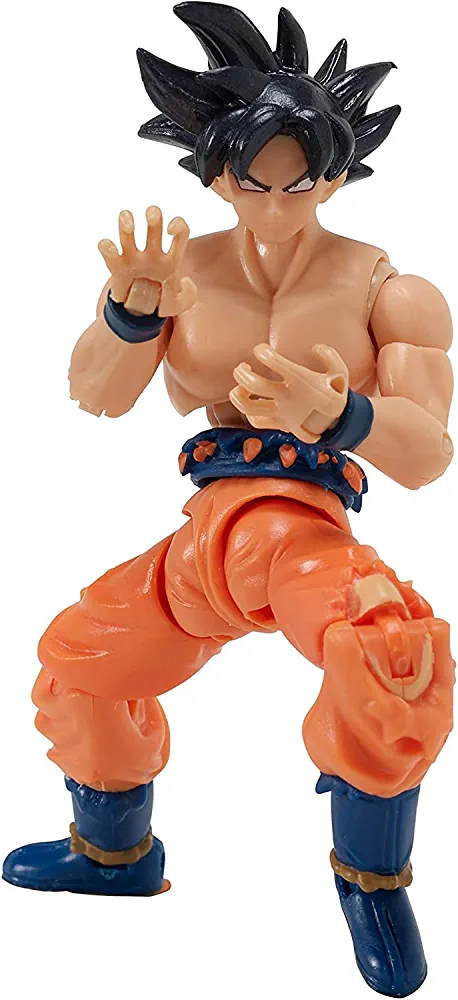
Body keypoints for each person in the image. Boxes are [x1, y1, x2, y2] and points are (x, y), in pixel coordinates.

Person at [3, 5, 454, 997]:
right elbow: (94, 394)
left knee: (389, 652)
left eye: (302, 181)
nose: (277, 204)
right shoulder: (182, 273)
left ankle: (372, 883)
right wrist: (130, 315)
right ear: (212, 174)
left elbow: (429, 455)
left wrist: (339, 416)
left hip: (303, 537)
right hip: (206, 539)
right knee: (79, 660)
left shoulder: (390, 290)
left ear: (338, 173)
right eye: (253, 182)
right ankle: (114, 855)